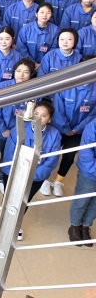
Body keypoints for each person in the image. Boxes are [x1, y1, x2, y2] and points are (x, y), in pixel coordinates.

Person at [0, 100, 62, 240]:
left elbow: (51, 161)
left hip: (35, 177)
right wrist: (19, 173)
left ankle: (15, 225)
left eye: (44, 115)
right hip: (14, 172)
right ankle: (4, 223)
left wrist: (32, 175)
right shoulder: (18, 129)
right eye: (36, 113)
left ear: (49, 119)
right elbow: (9, 154)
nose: (39, 118)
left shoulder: (55, 135)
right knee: (9, 198)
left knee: (24, 201)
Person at [0, 58, 35, 194]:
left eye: (25, 72)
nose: (21, 75)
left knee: (9, 157)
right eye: (18, 71)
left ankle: (1, 178)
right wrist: (3, 129)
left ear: (31, 74)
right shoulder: (2, 86)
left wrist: (19, 132)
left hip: (18, 132)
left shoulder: (34, 90)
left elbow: (32, 113)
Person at [46, 58, 96, 198]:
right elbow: (58, 108)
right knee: (51, 152)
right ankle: (45, 179)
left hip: (78, 131)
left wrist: (77, 129)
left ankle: (58, 181)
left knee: (69, 156)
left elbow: (93, 114)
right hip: (59, 127)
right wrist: (66, 127)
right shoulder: (66, 84)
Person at [68, 118, 96, 246]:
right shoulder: (93, 126)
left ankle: (85, 226)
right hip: (89, 172)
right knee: (81, 200)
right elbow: (86, 154)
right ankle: (74, 226)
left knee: (95, 205)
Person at [16, 3, 58, 69]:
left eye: (48, 13)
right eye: (42, 12)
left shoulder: (55, 30)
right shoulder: (26, 29)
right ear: (36, 14)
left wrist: (43, 64)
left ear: (51, 15)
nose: (44, 15)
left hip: (46, 65)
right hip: (27, 65)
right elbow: (21, 48)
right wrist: (33, 63)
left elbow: (54, 49)